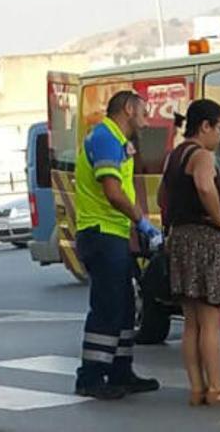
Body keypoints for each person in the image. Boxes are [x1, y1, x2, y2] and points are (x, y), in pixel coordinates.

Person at [74, 90, 161, 400]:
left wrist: (136, 228)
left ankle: (121, 371)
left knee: (124, 307)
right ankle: (91, 376)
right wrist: (142, 222)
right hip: (101, 232)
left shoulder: (116, 140)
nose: (147, 120)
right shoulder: (105, 138)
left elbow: (124, 186)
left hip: (114, 233)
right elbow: (112, 191)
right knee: (108, 307)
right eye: (144, 112)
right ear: (127, 109)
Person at [162, 99, 220, 406]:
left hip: (180, 238)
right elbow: (205, 187)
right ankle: (216, 387)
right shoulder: (202, 155)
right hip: (204, 238)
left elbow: (163, 195)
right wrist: (219, 219)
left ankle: (196, 387)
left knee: (191, 320)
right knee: (211, 319)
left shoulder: (174, 156)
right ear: (205, 126)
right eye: (219, 128)